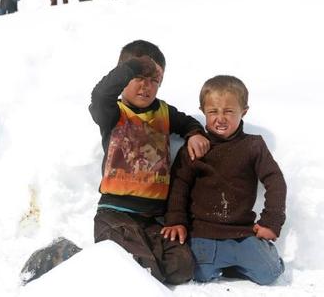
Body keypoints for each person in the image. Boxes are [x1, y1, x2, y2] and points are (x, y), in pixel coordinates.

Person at [89, 40, 211, 284]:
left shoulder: (164, 113)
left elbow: (188, 123)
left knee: (182, 266)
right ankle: (77, 264)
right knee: (138, 267)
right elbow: (100, 95)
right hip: (115, 217)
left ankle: (139, 265)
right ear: (123, 76)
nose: (146, 86)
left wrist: (195, 133)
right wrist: (131, 66)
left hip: (151, 221)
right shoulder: (113, 112)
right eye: (139, 77)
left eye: (154, 80)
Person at [163, 75, 287, 286]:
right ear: (203, 111)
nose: (220, 118)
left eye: (229, 111)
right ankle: (227, 263)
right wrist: (176, 220)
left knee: (269, 273)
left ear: (244, 111)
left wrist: (270, 221)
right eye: (213, 111)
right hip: (203, 232)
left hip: (241, 233)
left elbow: (275, 180)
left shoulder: (253, 146)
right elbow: (179, 185)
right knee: (199, 274)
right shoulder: (196, 147)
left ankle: (244, 259)